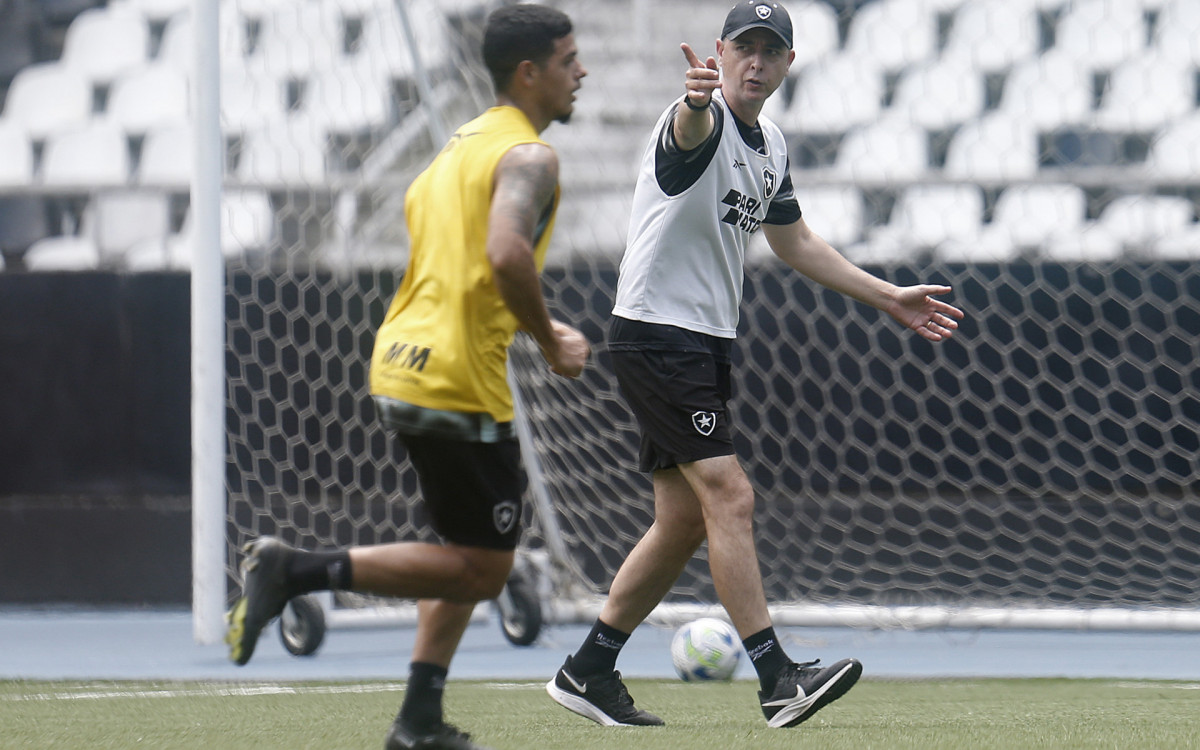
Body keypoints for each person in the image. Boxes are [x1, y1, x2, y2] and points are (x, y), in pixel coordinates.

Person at [547, 0, 964, 730]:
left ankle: (588, 670)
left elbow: (794, 241)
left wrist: (886, 297)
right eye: (745, 47)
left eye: (771, 52)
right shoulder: (694, 119)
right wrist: (693, 100)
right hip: (655, 330)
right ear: (720, 50)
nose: (756, 62)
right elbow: (690, 129)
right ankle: (776, 676)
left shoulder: (770, 141)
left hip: (703, 339)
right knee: (730, 495)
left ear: (787, 65)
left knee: (680, 521)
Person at [223, 6, 589, 749]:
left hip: (401, 359)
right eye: (568, 60)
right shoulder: (529, 159)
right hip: (458, 381)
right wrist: (550, 340)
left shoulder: (457, 146)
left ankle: (419, 719)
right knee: (485, 572)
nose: (581, 72)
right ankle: (292, 569)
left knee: (457, 555)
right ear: (529, 73)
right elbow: (507, 255)